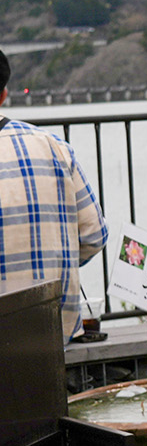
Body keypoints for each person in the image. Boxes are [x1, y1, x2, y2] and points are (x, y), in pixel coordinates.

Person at [1, 50, 107, 339]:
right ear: (4, 95)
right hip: (55, 331)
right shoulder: (53, 146)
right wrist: (60, 261)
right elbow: (94, 236)